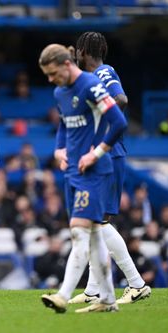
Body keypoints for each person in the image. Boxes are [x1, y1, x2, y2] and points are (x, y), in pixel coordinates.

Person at [38, 44, 127, 313]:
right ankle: (108, 301)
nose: (51, 80)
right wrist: (59, 149)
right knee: (94, 236)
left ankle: (63, 295)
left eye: (53, 73)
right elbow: (64, 124)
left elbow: (119, 122)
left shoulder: (91, 84)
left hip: (95, 170)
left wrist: (97, 153)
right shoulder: (59, 91)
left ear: (67, 64)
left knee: (79, 231)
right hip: (73, 170)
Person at [69, 31, 151, 305]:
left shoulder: (105, 72)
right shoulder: (92, 77)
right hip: (106, 155)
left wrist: (100, 122)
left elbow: (122, 99)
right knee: (95, 222)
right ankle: (93, 288)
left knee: (98, 223)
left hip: (109, 154)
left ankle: (136, 282)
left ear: (83, 51)